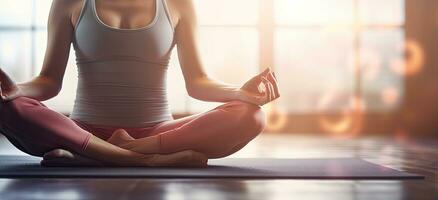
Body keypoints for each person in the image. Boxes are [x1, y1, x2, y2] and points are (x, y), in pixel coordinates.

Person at [0, 0, 280, 167]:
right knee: (7, 109)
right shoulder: (69, 2)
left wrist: (240, 93)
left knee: (250, 115)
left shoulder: (176, 4)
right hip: (82, 128)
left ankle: (96, 156)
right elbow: (49, 81)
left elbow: (198, 83)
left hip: (156, 133)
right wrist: (14, 91)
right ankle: (145, 159)